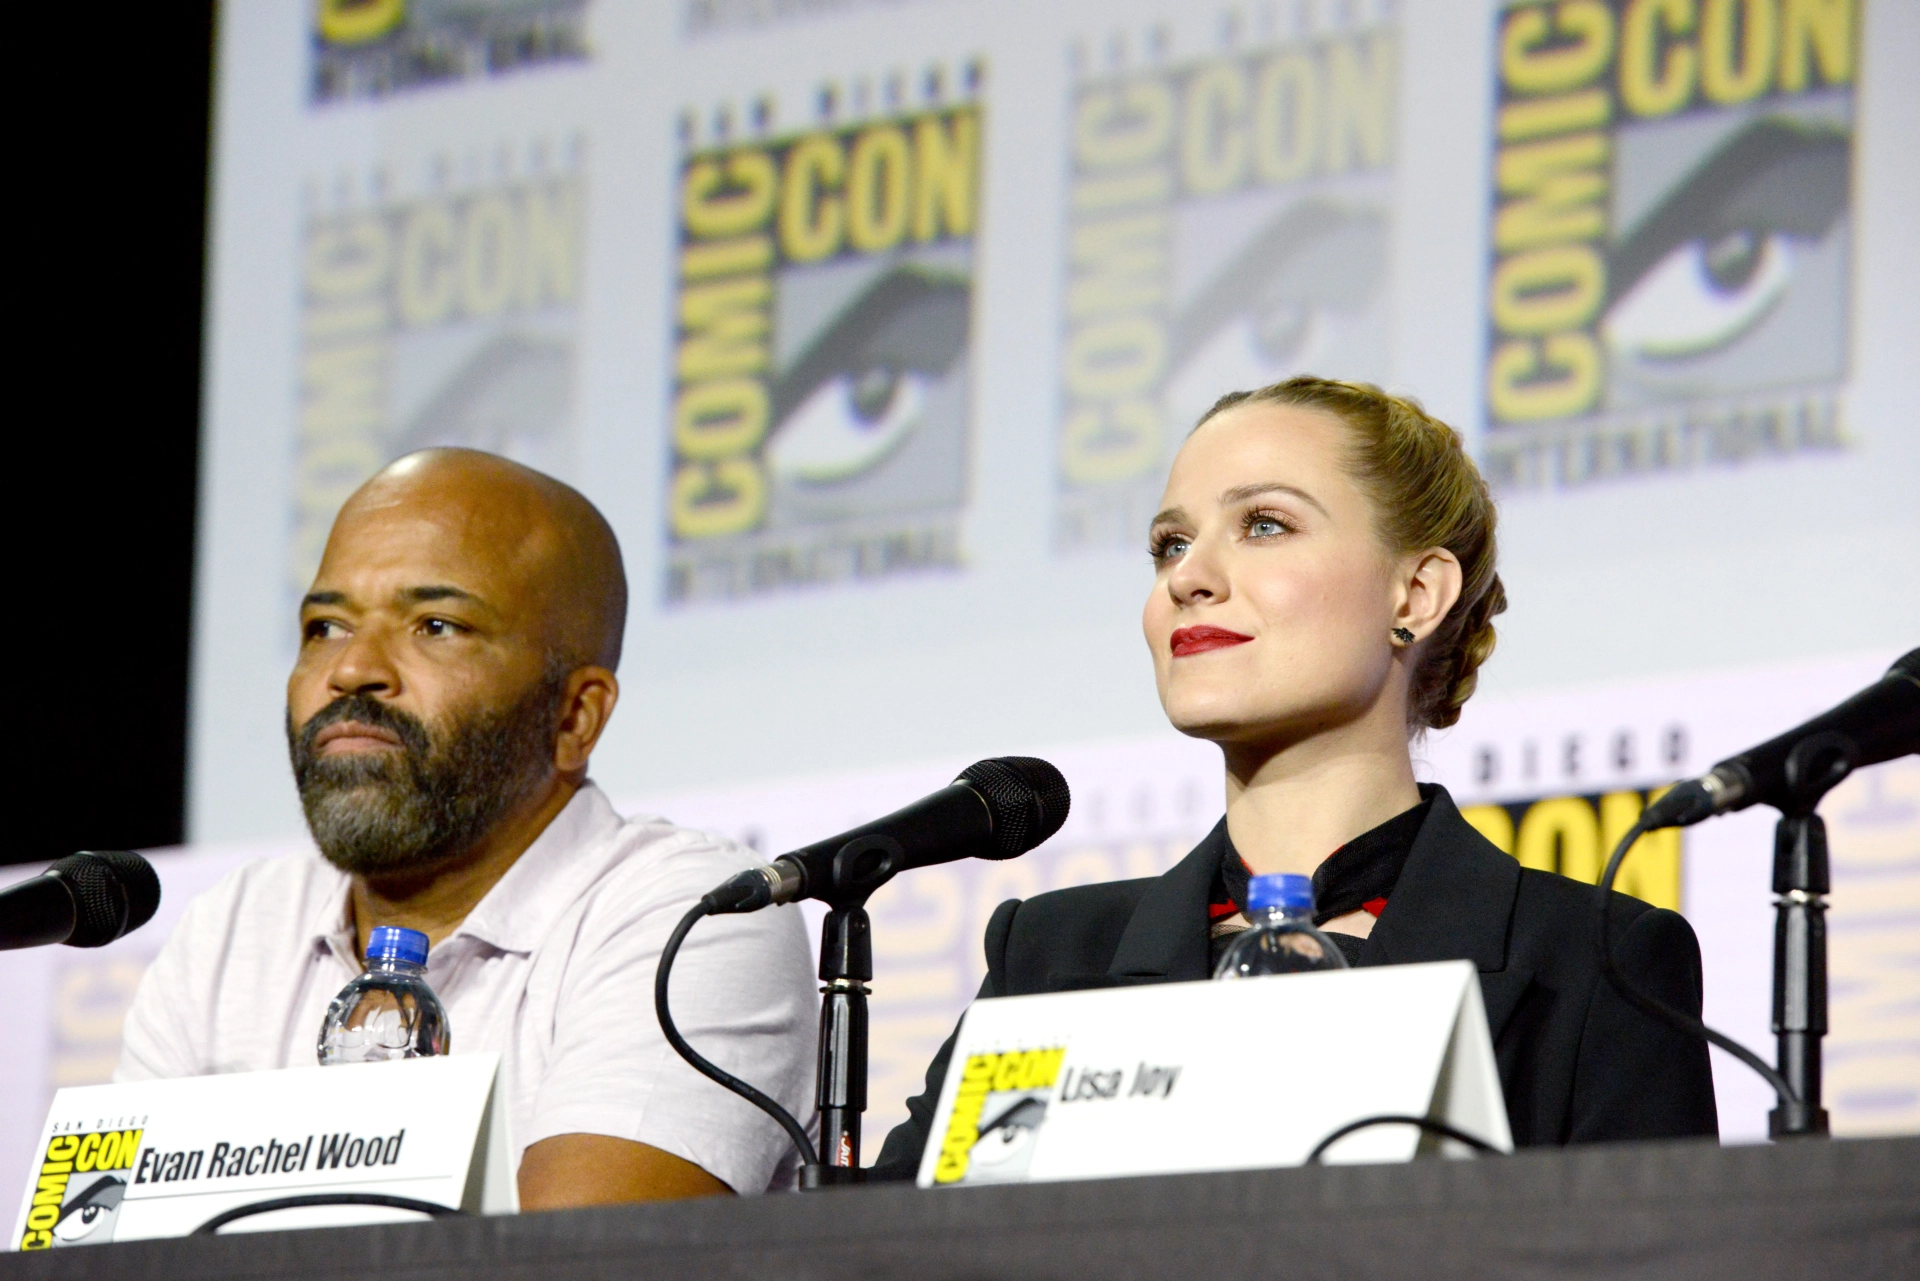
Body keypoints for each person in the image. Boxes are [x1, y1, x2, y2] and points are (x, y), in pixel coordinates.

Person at [872, 377, 1717, 1178]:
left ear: (1417, 593)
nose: (1187, 577)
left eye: (1265, 524)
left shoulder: (1597, 961)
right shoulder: (1051, 957)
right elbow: (892, 1253)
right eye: (1171, 543)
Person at [117, 449, 816, 1208]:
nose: (352, 669)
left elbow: (579, 1265)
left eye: (436, 624)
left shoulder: (690, 918)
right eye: (325, 625)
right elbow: (103, 1253)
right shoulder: (233, 932)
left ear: (574, 715)